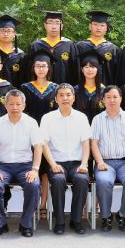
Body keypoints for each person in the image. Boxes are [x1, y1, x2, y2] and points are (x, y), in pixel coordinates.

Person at [0, 89, 45, 237]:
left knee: (33, 186)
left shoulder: (31, 123)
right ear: (5, 105)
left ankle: (26, 224)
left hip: (25, 166)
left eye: (18, 104)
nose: (15, 107)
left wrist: (35, 170)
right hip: (2, 167)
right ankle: (0, 224)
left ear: (24, 105)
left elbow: (38, 147)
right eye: (11, 104)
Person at [41, 84, 92, 234]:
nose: (65, 98)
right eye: (61, 95)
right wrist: (53, 164)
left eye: (68, 95)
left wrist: (84, 164)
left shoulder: (81, 117)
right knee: (57, 180)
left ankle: (76, 220)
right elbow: (44, 144)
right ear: (56, 99)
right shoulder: (48, 118)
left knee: (82, 179)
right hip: (56, 162)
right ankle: (60, 221)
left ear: (74, 98)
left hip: (77, 163)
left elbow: (86, 143)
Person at [90, 85, 125, 231]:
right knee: (104, 181)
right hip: (105, 163)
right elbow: (94, 143)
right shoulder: (97, 119)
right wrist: (99, 162)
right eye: (108, 97)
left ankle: (124, 216)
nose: (112, 100)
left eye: (115, 97)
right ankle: (106, 217)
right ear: (103, 100)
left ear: (121, 99)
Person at [27, 11, 79, 85]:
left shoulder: (69, 45)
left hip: (64, 89)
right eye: (50, 22)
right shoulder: (36, 46)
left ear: (61, 26)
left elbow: (75, 71)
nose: (54, 27)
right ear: (45, 25)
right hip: (40, 89)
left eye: (57, 23)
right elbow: (29, 72)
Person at [75, 10, 119, 86]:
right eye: (95, 24)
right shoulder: (80, 46)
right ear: (90, 26)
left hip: (106, 89)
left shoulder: (113, 49)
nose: (98, 28)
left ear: (106, 28)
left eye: (102, 25)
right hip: (83, 89)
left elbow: (116, 73)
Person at [21, 49, 59, 124]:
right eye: (38, 66)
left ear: (48, 68)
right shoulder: (25, 88)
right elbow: (23, 110)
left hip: (50, 126)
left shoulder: (55, 88)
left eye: (44, 66)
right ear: (33, 68)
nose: (41, 69)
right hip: (30, 126)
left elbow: (57, 111)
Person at [73, 48, 106, 124]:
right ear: (82, 69)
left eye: (93, 67)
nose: (89, 70)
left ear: (97, 69)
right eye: (86, 67)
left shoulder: (105, 91)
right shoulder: (75, 90)